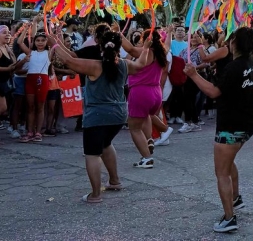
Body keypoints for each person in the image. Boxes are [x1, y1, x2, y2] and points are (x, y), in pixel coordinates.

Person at [52, 31, 150, 203]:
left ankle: (95, 194)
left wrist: (53, 43)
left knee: (92, 154)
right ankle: (114, 181)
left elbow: (69, 61)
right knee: (106, 144)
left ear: (99, 44)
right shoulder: (125, 64)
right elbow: (141, 63)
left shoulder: (95, 66)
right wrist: (147, 48)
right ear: (120, 47)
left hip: (97, 115)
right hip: (119, 114)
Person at [186, 27, 253, 234]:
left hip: (231, 125)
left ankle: (229, 218)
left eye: (232, 38)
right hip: (248, 123)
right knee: (229, 161)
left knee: (221, 172)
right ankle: (235, 198)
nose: (228, 41)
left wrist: (193, 74)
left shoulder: (234, 67)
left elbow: (213, 92)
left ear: (236, 42)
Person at [121, 29, 168, 168]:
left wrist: (119, 34)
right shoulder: (162, 53)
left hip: (141, 91)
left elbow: (129, 48)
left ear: (146, 39)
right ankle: (149, 141)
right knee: (147, 116)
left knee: (134, 128)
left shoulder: (146, 52)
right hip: (155, 92)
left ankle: (147, 159)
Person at [0, 25, 22, 144]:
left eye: (8, 32)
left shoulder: (6, 47)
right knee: (2, 107)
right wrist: (6, 69)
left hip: (0, 83)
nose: (7, 34)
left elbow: (13, 64)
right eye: (4, 33)